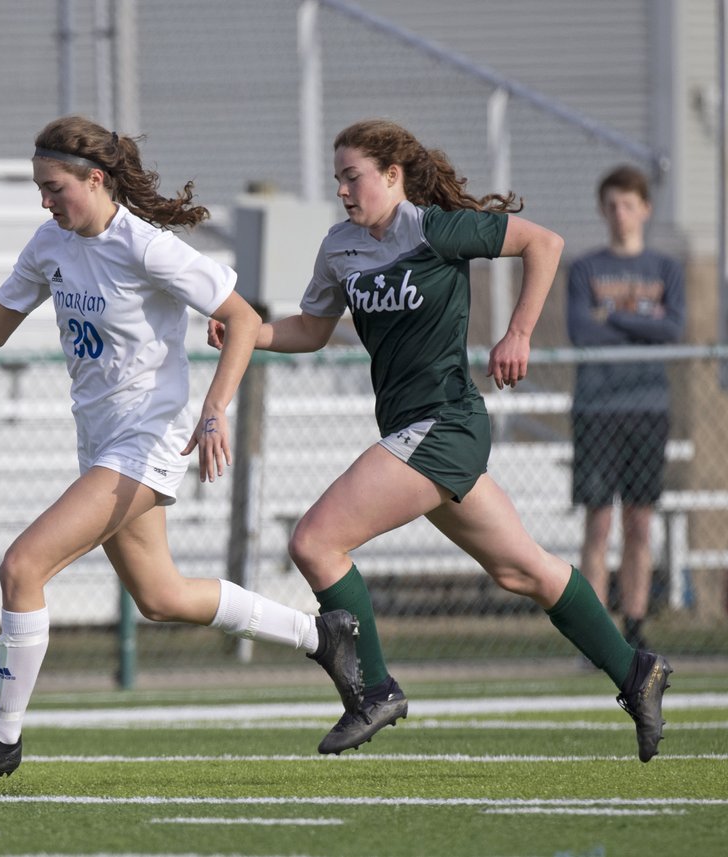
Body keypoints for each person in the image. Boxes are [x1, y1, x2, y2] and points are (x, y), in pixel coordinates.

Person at [0, 115, 363, 783]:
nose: (45, 202)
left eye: (53, 189)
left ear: (94, 179)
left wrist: (215, 409)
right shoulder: (51, 243)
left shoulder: (146, 247)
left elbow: (243, 319)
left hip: (147, 439)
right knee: (161, 596)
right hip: (100, 441)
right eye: (40, 190)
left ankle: (3, 736)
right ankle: (322, 635)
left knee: (22, 566)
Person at [208, 119, 672, 763]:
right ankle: (635, 671)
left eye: (354, 176)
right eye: (338, 177)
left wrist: (519, 332)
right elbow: (312, 330)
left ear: (393, 177)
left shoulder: (435, 228)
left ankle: (375, 690)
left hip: (447, 423)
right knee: (523, 571)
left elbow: (545, 242)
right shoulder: (340, 247)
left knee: (315, 541)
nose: (343, 189)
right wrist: (248, 333)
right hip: (413, 431)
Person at [566, 165, 686, 652]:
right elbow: (582, 332)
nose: (620, 214)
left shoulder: (665, 270)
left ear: (645, 209)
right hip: (597, 408)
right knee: (599, 522)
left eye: (629, 205)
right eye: (612, 205)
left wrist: (611, 312)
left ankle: (634, 628)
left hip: (647, 406)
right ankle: (597, 638)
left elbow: (671, 329)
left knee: (639, 522)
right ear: (603, 210)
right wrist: (639, 317)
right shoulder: (585, 268)